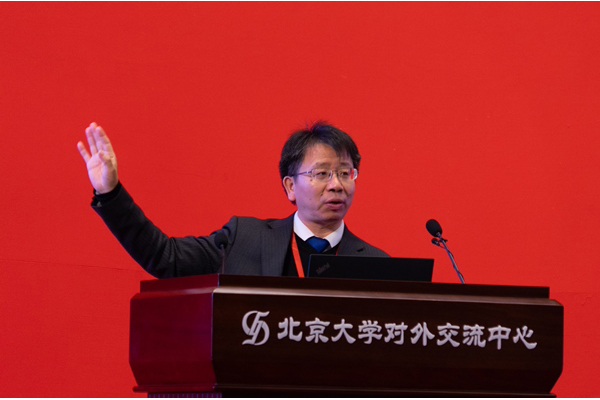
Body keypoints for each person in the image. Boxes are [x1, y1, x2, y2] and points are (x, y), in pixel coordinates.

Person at [77, 121, 388, 279]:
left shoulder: (378, 265)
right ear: (290, 186)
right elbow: (165, 257)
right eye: (322, 174)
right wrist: (111, 193)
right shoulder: (242, 239)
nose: (336, 185)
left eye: (345, 173)